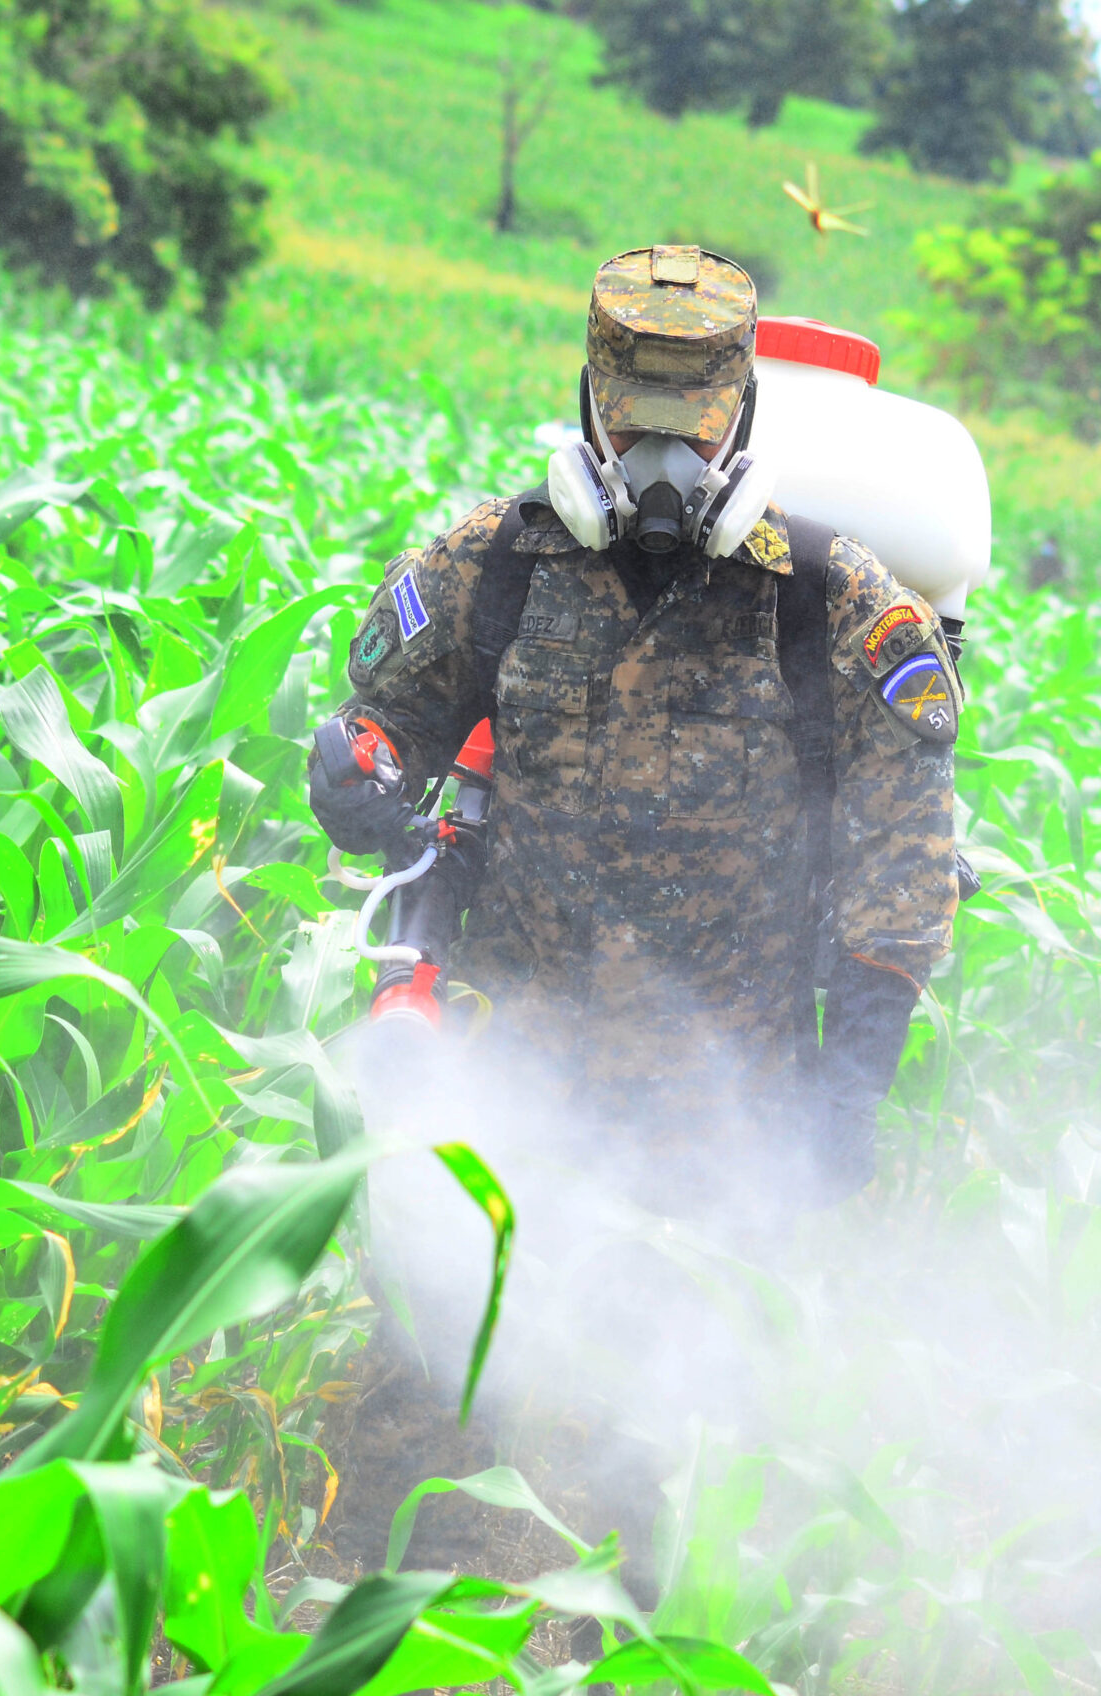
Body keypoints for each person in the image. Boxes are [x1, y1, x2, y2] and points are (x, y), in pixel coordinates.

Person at [306, 245, 963, 1209]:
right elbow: (390, 722)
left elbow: (903, 871)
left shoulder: (833, 601)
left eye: (693, 428)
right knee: (446, 1352)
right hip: (504, 1094)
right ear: (588, 403)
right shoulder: (495, 562)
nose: (663, 459)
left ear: (742, 416)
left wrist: (849, 1091)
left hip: (730, 1129)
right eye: (631, 419)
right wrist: (362, 777)